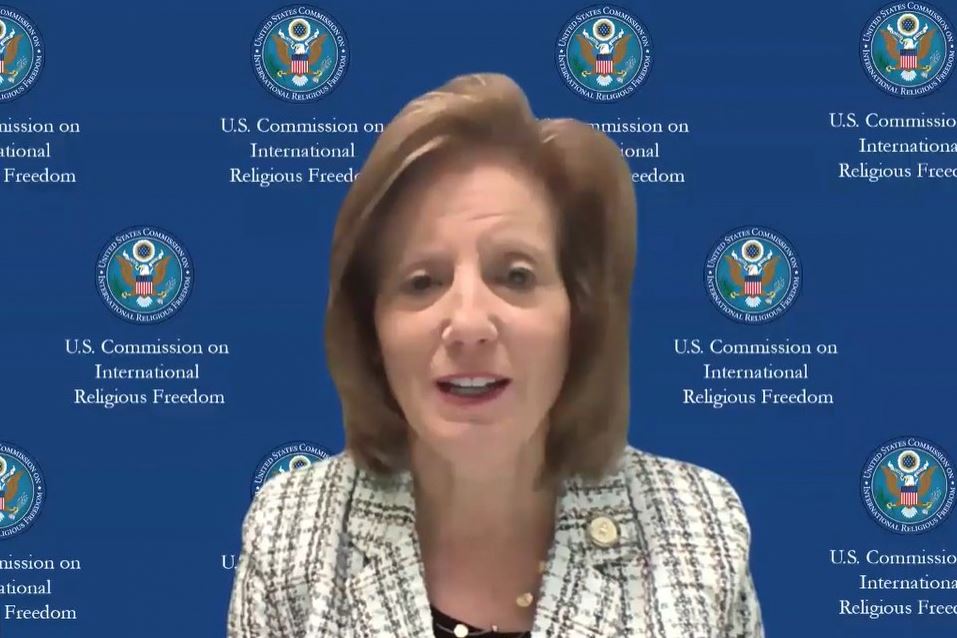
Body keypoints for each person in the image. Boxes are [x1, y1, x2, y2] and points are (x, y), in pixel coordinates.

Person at [227, 72, 763, 637]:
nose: (468, 325)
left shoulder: (698, 529)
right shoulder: (291, 536)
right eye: (422, 282)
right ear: (372, 329)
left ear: (579, 317)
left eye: (516, 275)